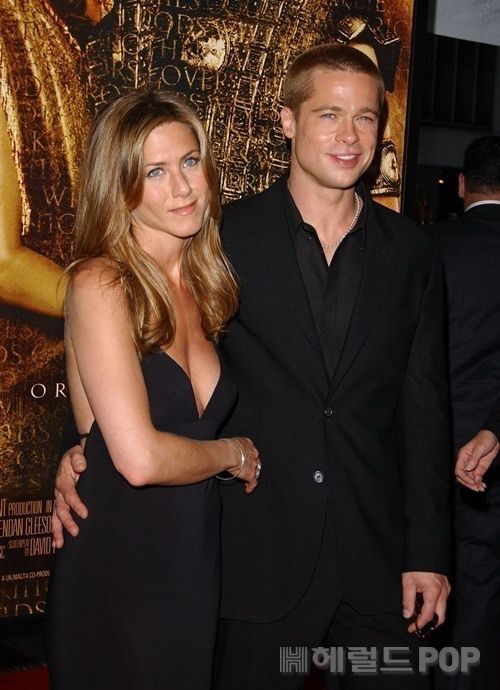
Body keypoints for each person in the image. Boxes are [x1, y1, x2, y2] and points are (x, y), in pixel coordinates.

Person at [53, 44, 451, 689]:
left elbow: (425, 407)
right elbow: (125, 383)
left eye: (366, 118)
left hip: (378, 563)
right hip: (252, 558)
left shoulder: (413, 251)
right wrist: (80, 454)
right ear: (288, 121)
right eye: (329, 114)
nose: (349, 136)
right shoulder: (219, 243)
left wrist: (429, 551)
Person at [45, 90, 261, 690]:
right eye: (155, 172)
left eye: (190, 162)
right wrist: (233, 454)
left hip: (192, 559)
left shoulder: (209, 281)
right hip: (119, 564)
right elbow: (136, 459)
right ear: (121, 188)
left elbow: (91, 432)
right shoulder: (100, 283)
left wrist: (76, 452)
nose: (183, 187)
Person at [436, 135, 500, 690]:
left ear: (461, 185)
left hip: (428, 442)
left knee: (421, 572)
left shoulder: (427, 246)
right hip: (492, 448)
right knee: (482, 583)